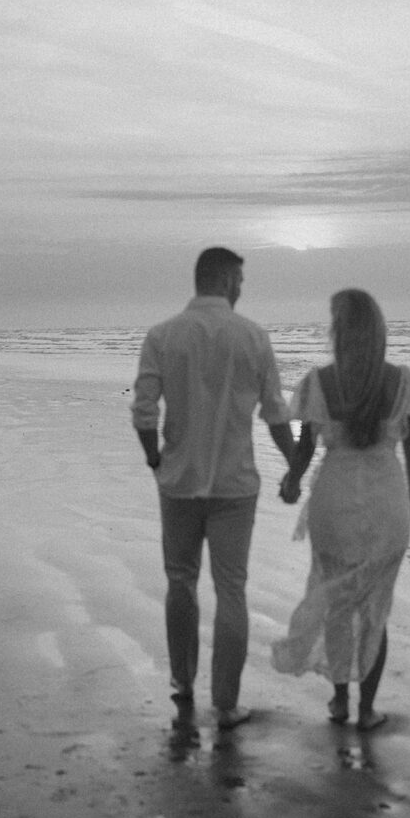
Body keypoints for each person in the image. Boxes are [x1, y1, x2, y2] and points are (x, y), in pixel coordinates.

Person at [131, 247, 295, 730]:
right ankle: (225, 702)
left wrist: (155, 458)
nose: (242, 288)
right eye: (239, 280)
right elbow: (275, 413)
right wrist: (294, 465)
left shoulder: (162, 336)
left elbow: (143, 408)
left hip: (178, 481)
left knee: (180, 580)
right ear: (223, 280)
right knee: (231, 589)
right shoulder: (253, 336)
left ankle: (183, 683)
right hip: (234, 484)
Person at [273, 289, 410, 731]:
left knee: (338, 602)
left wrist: (293, 480)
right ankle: (366, 710)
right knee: (376, 605)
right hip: (386, 501)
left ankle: (339, 701)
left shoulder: (320, 382)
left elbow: (305, 448)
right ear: (378, 332)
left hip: (334, 502)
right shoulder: (402, 382)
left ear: (339, 331)